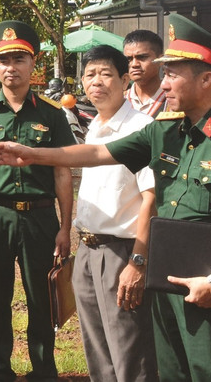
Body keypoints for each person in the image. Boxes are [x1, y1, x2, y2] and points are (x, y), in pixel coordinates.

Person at [0, 14, 211, 382]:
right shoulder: (166, 130)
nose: (163, 80)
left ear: (207, 79)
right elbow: (98, 153)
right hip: (166, 280)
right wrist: (31, 154)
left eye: (173, 72)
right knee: (171, 371)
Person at [0, 20, 74, 382]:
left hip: (40, 219)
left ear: (33, 63)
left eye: (19, 59)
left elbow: (62, 172)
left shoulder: (53, 115)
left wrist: (66, 227)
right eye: (4, 60)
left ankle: (43, 369)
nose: (11, 67)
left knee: (41, 298)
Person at [72, 45, 157, 382]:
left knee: (130, 353)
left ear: (125, 80)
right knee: (98, 350)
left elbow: (151, 199)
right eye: (90, 75)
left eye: (106, 74)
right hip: (87, 250)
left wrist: (138, 261)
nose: (97, 82)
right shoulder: (93, 127)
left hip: (122, 253)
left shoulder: (141, 127)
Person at [122, 30, 166, 118]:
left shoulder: (173, 100)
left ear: (160, 60)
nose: (134, 64)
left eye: (142, 57)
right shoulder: (119, 101)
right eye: (129, 59)